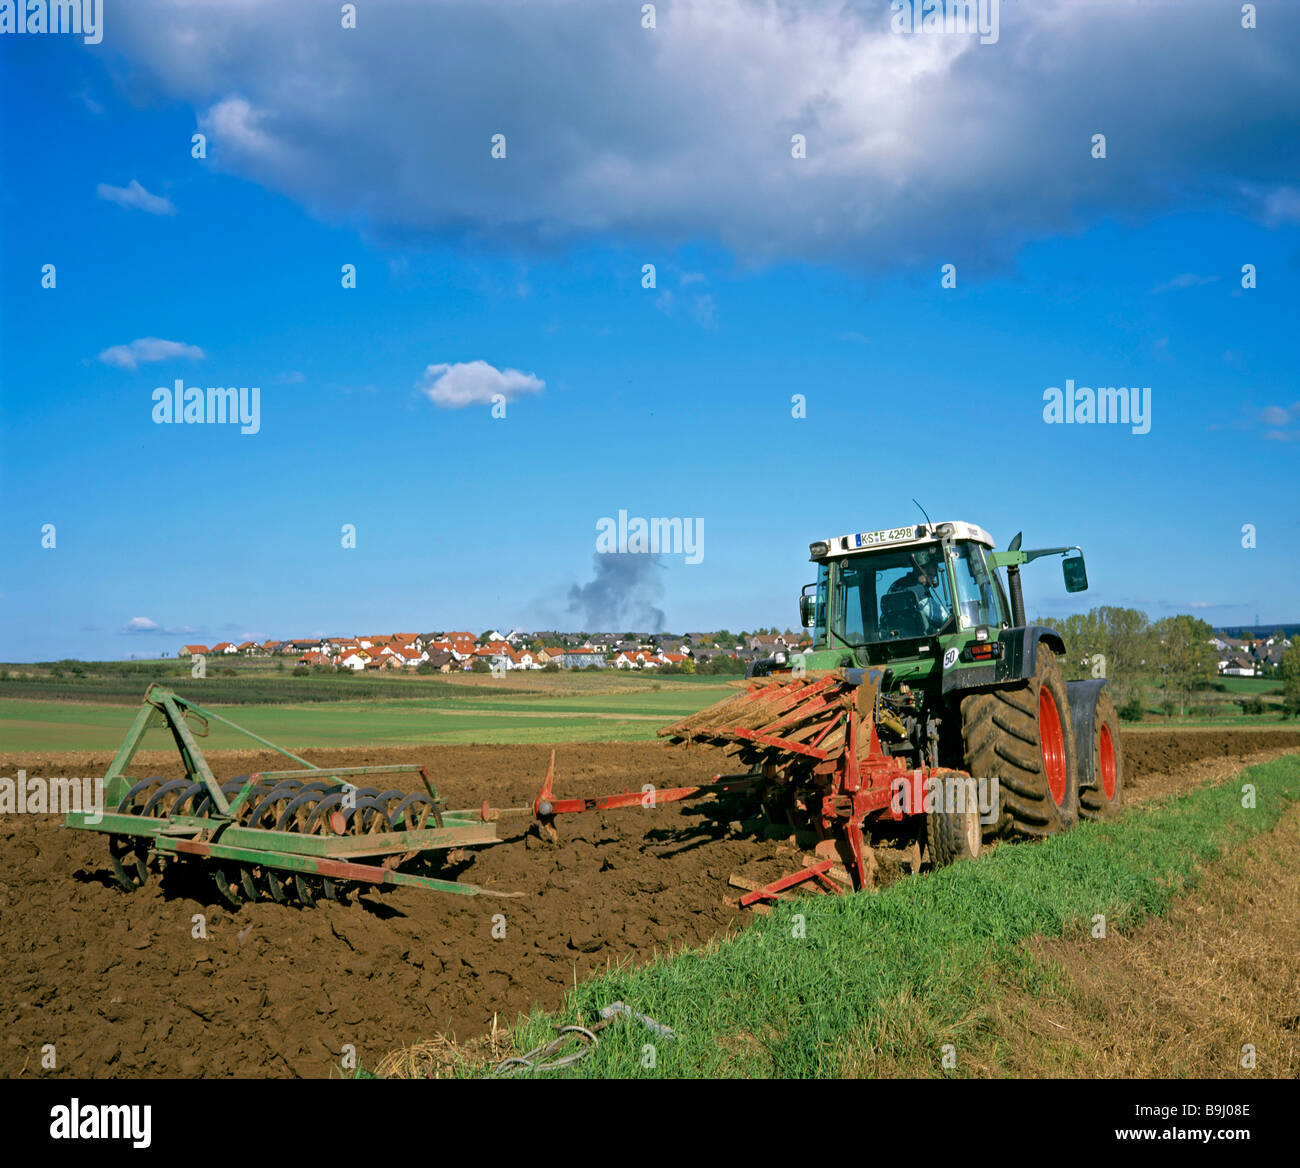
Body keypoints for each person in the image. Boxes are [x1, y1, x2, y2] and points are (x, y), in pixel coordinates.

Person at [886, 554, 951, 630]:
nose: (933, 580)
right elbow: (941, 617)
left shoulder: (897, 584)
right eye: (930, 575)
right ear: (919, 569)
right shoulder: (917, 589)